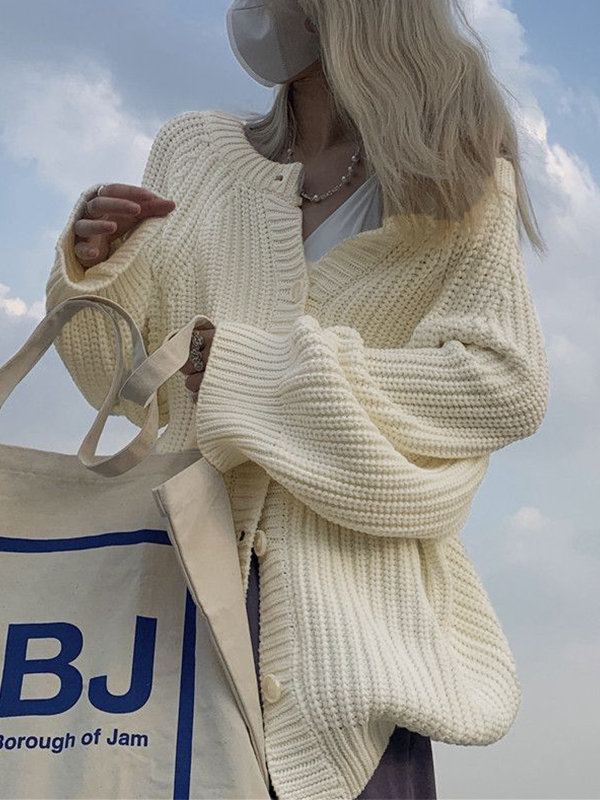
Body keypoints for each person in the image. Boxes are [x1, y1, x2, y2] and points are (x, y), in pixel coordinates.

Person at [45, 1, 550, 798]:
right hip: (172, 608)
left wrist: (261, 375)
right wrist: (96, 270)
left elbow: (501, 384)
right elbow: (127, 389)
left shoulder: (453, 177)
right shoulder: (194, 150)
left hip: (354, 652)